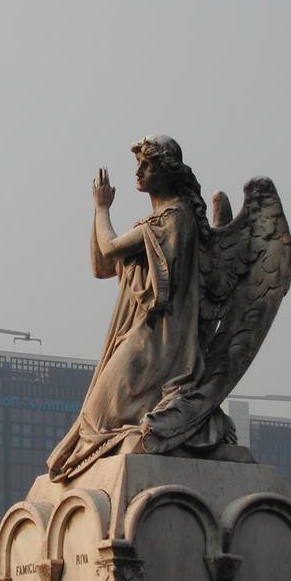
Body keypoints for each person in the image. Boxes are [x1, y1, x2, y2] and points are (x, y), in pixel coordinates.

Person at [47, 135, 238, 483]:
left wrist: (103, 208)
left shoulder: (174, 220)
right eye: (138, 163)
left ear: (168, 173)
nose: (139, 172)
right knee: (95, 417)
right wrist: (98, 213)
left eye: (148, 165)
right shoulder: (155, 224)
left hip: (161, 343)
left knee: (98, 419)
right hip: (141, 336)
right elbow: (102, 266)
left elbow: (109, 248)